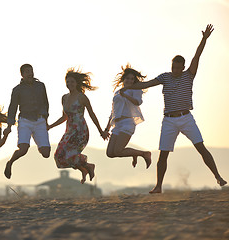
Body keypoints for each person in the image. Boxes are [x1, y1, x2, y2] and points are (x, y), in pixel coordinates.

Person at [121, 24, 227, 193]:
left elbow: (197, 56)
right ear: (171, 66)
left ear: (183, 68)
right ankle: (158, 186)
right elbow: (147, 84)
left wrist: (204, 39)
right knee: (163, 155)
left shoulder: (189, 75)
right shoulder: (165, 77)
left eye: (178, 68)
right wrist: (128, 85)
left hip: (186, 118)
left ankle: (218, 177)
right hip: (169, 120)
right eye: (173, 67)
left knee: (201, 148)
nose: (175, 70)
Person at [48, 68, 107, 184]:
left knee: (70, 155)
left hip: (80, 131)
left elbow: (92, 115)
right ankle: (85, 168)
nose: (70, 84)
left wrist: (101, 131)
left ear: (77, 83)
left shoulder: (82, 97)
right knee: (58, 157)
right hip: (69, 131)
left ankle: (88, 166)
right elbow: (64, 117)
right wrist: (50, 126)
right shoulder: (64, 98)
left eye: (72, 82)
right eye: (68, 82)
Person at [4, 64, 51, 179]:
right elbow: (13, 107)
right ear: (22, 74)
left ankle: (38, 140)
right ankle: (10, 163)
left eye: (31, 71)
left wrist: (46, 120)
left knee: (46, 153)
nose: (30, 73)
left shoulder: (40, 86)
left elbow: (46, 103)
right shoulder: (17, 90)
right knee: (23, 149)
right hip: (25, 120)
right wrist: (9, 125)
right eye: (27, 72)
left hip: (40, 120)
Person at [104, 65, 151, 168]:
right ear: (123, 79)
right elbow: (113, 112)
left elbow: (138, 102)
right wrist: (106, 129)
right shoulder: (117, 93)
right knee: (110, 153)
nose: (129, 81)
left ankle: (144, 154)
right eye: (127, 78)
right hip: (117, 124)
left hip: (127, 123)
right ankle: (134, 153)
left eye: (132, 79)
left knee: (117, 150)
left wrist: (125, 95)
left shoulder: (135, 90)